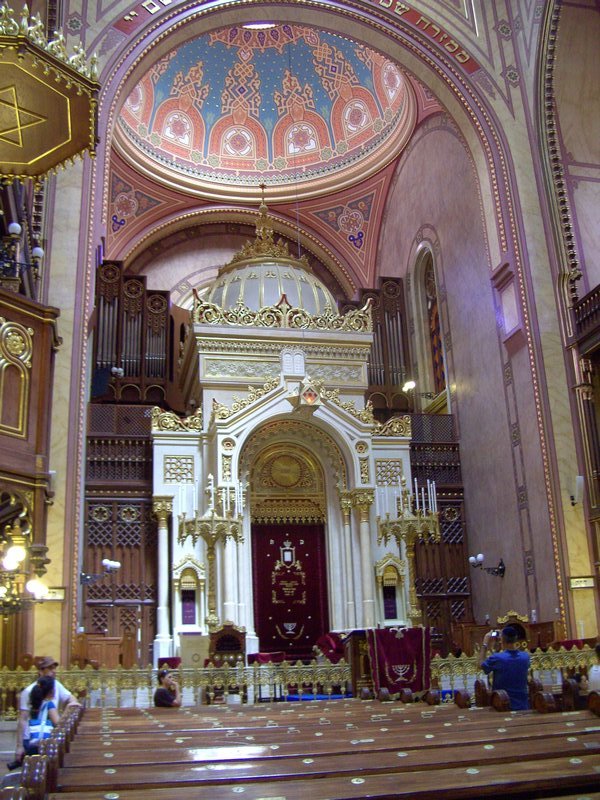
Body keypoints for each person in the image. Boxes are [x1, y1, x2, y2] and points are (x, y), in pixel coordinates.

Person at [14, 656, 79, 764]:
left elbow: (70, 697)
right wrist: (19, 746)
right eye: (49, 668)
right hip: (32, 737)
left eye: (54, 668)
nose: (53, 671)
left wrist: (72, 701)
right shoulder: (29, 691)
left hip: (45, 736)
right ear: (40, 671)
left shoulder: (56, 685)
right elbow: (23, 719)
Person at [479, 625, 530, 710]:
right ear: (516, 638)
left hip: (502, 704)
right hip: (523, 705)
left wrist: (485, 644)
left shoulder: (497, 658)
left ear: (501, 639)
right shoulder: (525, 657)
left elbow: (480, 665)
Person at [27, 676, 60, 754]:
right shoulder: (49, 704)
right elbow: (58, 723)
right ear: (51, 691)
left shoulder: (34, 703)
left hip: (31, 741)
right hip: (43, 743)